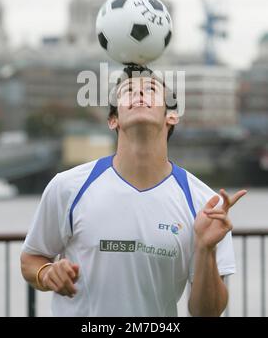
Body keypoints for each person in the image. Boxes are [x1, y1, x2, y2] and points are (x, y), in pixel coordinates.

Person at [20, 64, 246, 317]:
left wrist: (206, 249)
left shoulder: (206, 205)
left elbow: (207, 312)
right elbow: (31, 259)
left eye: (150, 90)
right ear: (112, 120)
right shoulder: (67, 187)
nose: (139, 95)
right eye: (127, 91)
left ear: (171, 116)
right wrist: (47, 273)